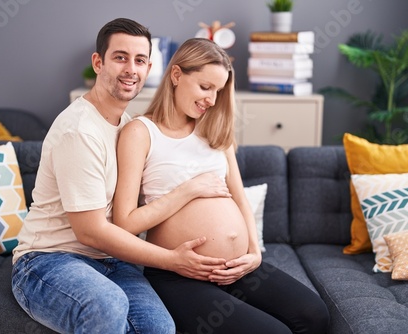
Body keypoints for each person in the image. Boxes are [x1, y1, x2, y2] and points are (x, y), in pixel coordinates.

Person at [11, 18, 228, 334]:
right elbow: (92, 232)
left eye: (139, 60)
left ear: (149, 67)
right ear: (98, 63)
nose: (131, 69)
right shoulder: (80, 131)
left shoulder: (129, 126)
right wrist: (172, 260)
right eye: (120, 57)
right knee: (107, 305)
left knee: (159, 329)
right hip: (48, 261)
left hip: (112, 261)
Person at [114, 38, 330, 334]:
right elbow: (124, 223)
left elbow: (240, 200)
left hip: (237, 269)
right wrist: (188, 190)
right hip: (179, 273)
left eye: (218, 91)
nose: (212, 100)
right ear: (176, 75)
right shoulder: (140, 132)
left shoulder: (214, 130)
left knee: (315, 315)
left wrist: (254, 254)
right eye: (206, 87)